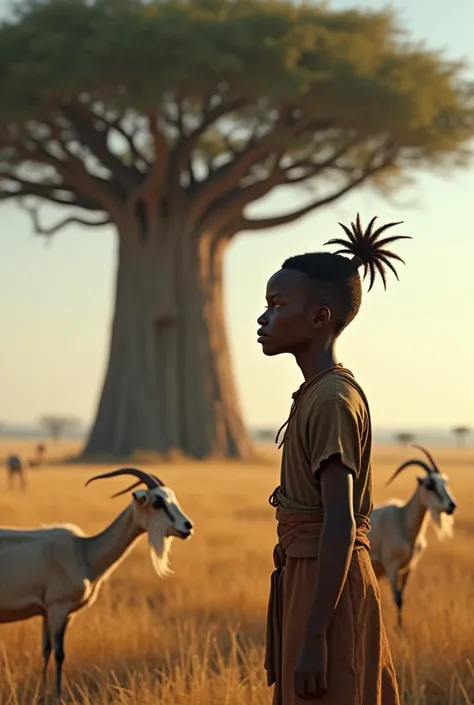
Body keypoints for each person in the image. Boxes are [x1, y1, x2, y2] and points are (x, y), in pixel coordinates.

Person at [258, 214, 409, 705]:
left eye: (277, 305)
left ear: (320, 317)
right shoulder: (316, 393)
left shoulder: (330, 400)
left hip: (330, 587)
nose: (263, 318)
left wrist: (315, 636)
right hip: (310, 577)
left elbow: (340, 523)